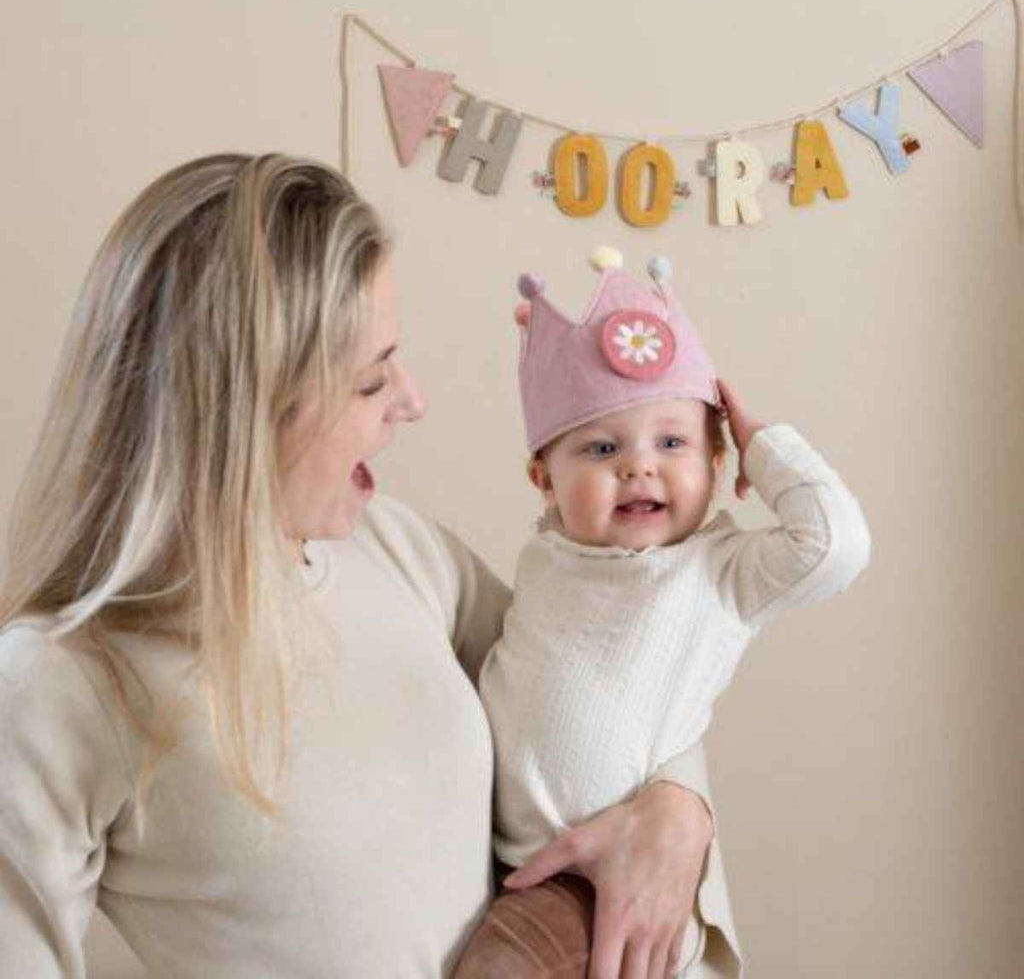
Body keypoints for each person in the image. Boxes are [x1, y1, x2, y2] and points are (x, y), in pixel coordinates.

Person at [0, 154, 724, 978]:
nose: (412, 400)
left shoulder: (398, 549)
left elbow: (613, 688)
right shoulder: (58, 684)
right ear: (253, 407)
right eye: (372, 379)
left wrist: (677, 811)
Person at [452, 250, 872, 977]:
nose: (638, 466)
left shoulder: (718, 572)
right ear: (543, 480)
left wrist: (758, 443)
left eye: (673, 442)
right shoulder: (549, 556)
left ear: (715, 463)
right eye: (602, 446)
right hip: (521, 868)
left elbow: (835, 544)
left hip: (612, 876)